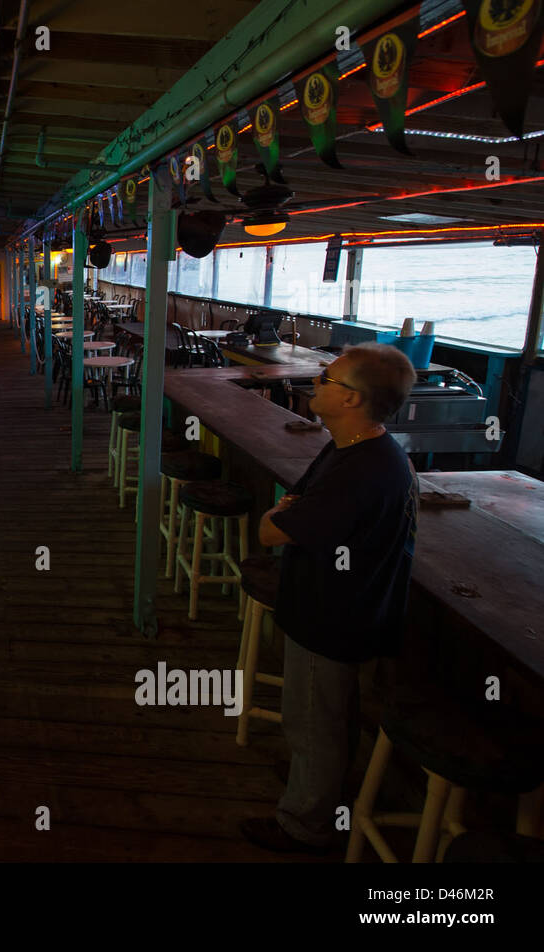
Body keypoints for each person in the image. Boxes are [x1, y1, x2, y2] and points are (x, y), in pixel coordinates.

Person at [239, 342, 418, 854]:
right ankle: (320, 784)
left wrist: (276, 518)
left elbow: (274, 531)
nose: (315, 383)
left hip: (332, 614)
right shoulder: (361, 448)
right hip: (355, 608)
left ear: (354, 399)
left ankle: (305, 823)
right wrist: (287, 514)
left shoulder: (360, 471)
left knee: (312, 719)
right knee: (331, 713)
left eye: (326, 379)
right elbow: (297, 508)